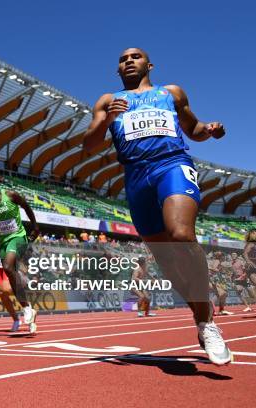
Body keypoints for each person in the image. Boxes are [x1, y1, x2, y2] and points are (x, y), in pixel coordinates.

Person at [83, 48, 231, 365]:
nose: (128, 60)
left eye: (135, 56)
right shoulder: (108, 101)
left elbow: (193, 129)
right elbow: (89, 145)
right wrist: (108, 119)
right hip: (136, 176)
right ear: (117, 70)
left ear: (149, 65)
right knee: (167, 262)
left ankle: (208, 325)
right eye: (122, 59)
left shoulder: (171, 93)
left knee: (181, 235)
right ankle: (203, 319)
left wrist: (210, 130)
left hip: (171, 165)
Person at [0, 176, 38, 334]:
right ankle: (27, 307)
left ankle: (26, 308)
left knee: (7, 267)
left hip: (18, 236)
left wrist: (35, 227)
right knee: (10, 274)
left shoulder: (10, 195)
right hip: (3, 241)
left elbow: (26, 207)